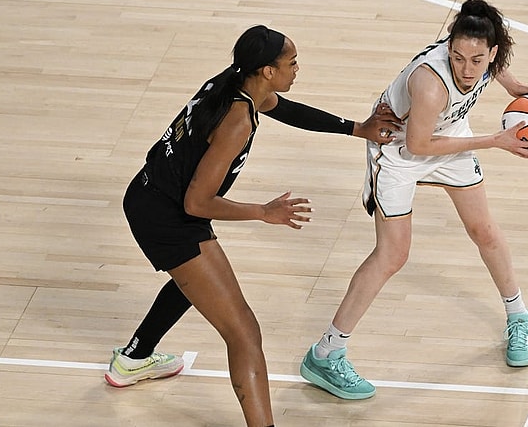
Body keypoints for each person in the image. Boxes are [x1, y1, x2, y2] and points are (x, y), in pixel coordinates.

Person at [103, 25, 402, 427]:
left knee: (197, 282)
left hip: (152, 195)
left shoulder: (232, 82)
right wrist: (264, 211)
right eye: (291, 63)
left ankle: (133, 359)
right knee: (244, 332)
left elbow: (288, 110)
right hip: (168, 217)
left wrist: (356, 128)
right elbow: (197, 202)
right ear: (266, 71)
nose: (297, 68)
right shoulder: (236, 121)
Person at [299, 0, 528, 400]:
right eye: (458, 57)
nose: (467, 69)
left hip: (446, 133)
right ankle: (326, 353)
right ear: (448, 48)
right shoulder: (430, 84)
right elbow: (418, 144)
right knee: (392, 256)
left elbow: (490, 66)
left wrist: (513, 85)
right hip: (399, 148)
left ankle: (519, 317)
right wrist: (496, 141)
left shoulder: (486, 59)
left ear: (493, 53)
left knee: (484, 229)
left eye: (478, 60)